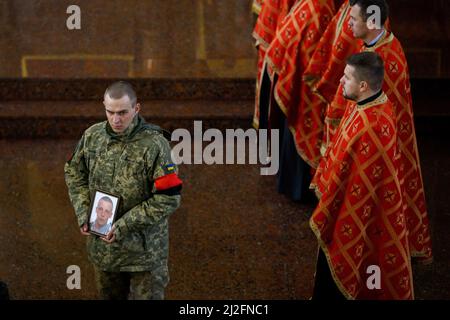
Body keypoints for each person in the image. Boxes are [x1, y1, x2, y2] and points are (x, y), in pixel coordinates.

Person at [313, 0, 432, 265]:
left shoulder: (387, 56)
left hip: (377, 152)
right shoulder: (377, 46)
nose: (347, 24)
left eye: (353, 19)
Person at [310, 52, 424, 299]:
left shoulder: (371, 126)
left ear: (363, 85)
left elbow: (356, 180)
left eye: (347, 77)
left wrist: (330, 205)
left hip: (360, 215)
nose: (340, 81)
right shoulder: (368, 104)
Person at [64, 81, 182, 300]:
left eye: (123, 113)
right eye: (110, 112)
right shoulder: (93, 136)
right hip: (105, 253)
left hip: (144, 254)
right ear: (103, 106)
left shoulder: (155, 145)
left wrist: (123, 226)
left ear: (136, 109)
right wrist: (84, 213)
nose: (116, 120)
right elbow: (74, 172)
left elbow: (168, 199)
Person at [263, 0, 336, 202]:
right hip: (301, 82)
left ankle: (299, 186)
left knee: (300, 123)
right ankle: (295, 185)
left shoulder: (319, 7)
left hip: (307, 85)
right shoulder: (314, 5)